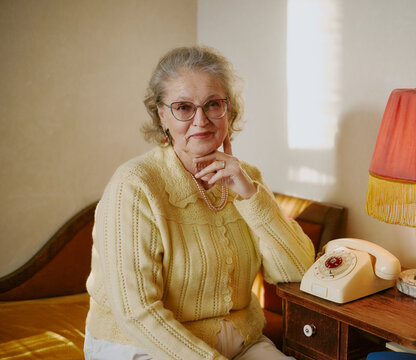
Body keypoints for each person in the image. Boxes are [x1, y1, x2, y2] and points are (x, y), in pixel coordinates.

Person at [84, 45, 315, 360]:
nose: (201, 120)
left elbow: (298, 271)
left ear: (228, 111)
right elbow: (138, 313)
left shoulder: (248, 176)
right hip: (142, 347)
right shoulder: (135, 185)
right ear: (162, 115)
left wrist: (250, 197)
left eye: (213, 104)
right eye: (183, 107)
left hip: (241, 342)